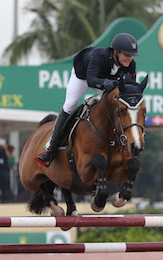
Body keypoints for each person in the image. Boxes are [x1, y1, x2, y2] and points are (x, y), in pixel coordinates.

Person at [36, 33, 140, 166]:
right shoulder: (99, 57)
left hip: (105, 80)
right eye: (126, 55)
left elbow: (129, 87)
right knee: (70, 105)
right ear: (115, 52)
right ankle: (51, 148)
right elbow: (91, 80)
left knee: (114, 105)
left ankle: (118, 144)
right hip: (83, 76)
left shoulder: (131, 64)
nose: (129, 59)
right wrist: (105, 83)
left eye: (131, 55)